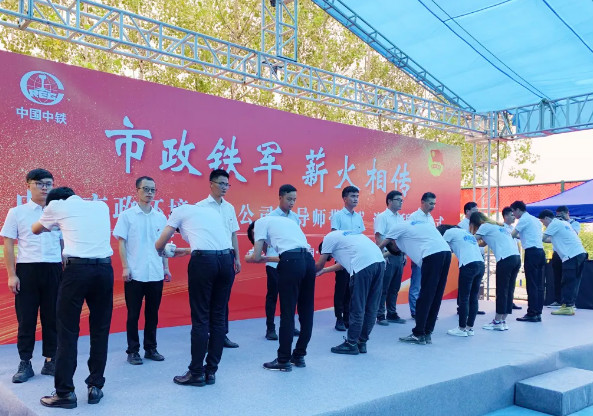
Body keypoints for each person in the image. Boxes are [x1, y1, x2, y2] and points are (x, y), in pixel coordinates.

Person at [32, 187, 114, 408]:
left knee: (67, 331)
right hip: (104, 270)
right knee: (100, 330)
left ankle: (65, 393)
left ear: (55, 201)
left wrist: (51, 217)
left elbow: (35, 229)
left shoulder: (56, 206)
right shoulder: (101, 205)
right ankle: (95, 386)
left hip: (76, 272)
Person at [156, 204, 233, 386]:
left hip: (204, 263)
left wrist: (162, 252)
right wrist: (185, 251)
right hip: (226, 260)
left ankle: (196, 373)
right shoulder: (208, 212)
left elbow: (160, 243)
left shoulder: (178, 212)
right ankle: (211, 372)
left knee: (200, 318)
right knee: (218, 318)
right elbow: (210, 244)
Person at [1, 169, 61, 383]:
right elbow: (8, 243)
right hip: (27, 270)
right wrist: (12, 275)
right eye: (39, 183)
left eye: (48, 184)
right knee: (26, 319)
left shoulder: (58, 212)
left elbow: (64, 241)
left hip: (54, 269)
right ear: (28, 185)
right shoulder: (17, 212)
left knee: (52, 317)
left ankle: (50, 360)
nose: (44, 187)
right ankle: (25, 362)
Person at [113, 176, 171, 365]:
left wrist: (166, 267)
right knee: (133, 314)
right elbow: (121, 243)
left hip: (155, 273)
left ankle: (151, 348)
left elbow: (164, 245)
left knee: (152, 314)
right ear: (137, 191)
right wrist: (125, 267)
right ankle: (133, 351)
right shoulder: (127, 216)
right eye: (146, 189)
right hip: (135, 273)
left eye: (153, 190)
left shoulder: (160, 217)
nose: (149, 193)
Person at [246, 216, 315, 371]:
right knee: (306, 311)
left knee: (288, 312)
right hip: (308, 260)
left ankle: (283, 359)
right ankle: (299, 356)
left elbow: (256, 256)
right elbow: (287, 254)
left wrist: (249, 258)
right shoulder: (285, 222)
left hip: (291, 262)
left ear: (254, 232)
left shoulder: (259, 224)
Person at [380, 221, 451, 345]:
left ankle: (418, 334)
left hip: (431, 255)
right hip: (445, 252)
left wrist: (375, 254)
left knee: (425, 296)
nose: (398, 248)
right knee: (436, 295)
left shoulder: (397, 227)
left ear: (393, 241)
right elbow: (393, 251)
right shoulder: (413, 230)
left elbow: (382, 245)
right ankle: (427, 333)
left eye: (395, 246)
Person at [317, 231, 384, 354]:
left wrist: (308, 271)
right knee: (372, 306)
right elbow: (343, 264)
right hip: (379, 262)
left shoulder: (328, 239)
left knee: (357, 306)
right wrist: (325, 271)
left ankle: (351, 343)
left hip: (363, 266)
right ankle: (362, 343)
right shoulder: (347, 237)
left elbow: (319, 265)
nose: (332, 258)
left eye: (330, 256)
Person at [196, 169, 240, 348]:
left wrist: (237, 258)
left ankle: (221, 335)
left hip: (227, 257)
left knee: (222, 299)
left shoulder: (229, 208)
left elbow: (233, 234)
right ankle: (205, 336)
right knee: (206, 299)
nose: (224, 187)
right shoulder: (200, 207)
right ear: (211, 184)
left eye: (227, 184)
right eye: (221, 183)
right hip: (208, 258)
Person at [469, 212, 520, 332]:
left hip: (505, 259)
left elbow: (472, 240)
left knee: (502, 290)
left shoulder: (484, 226)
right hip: (516, 258)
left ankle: (497, 321)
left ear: (475, 222)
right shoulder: (497, 227)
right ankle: (502, 321)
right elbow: (484, 243)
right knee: (509, 290)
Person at [263, 184, 301, 341]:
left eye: (294, 200)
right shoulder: (270, 218)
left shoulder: (295, 218)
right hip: (274, 264)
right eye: (289, 199)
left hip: (290, 264)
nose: (292, 203)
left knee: (290, 297)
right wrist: (269, 255)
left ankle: (289, 326)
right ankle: (270, 328)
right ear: (280, 197)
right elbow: (264, 241)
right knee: (273, 296)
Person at [437, 225, 484, 337]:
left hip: (468, 265)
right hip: (480, 264)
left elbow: (442, 248)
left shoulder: (448, 233)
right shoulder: (465, 232)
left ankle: (461, 328)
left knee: (464, 298)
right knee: (473, 297)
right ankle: (469, 328)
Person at [539, 210, 587, 316]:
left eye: (543, 222)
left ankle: (567, 306)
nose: (544, 225)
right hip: (579, 254)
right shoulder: (564, 223)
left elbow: (542, 238)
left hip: (571, 256)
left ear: (547, 218)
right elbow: (549, 239)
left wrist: (523, 236)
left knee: (568, 281)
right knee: (574, 281)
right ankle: (569, 305)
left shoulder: (554, 224)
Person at [330, 186, 365, 331]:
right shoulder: (338, 216)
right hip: (342, 259)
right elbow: (334, 237)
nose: (355, 199)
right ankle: (339, 318)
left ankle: (347, 318)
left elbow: (360, 238)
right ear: (345, 198)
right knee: (341, 290)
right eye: (352, 196)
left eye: (357, 196)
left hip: (356, 259)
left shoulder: (358, 217)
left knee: (352, 290)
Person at [373, 190, 406, 325]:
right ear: (390, 201)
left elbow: (403, 237)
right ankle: (380, 314)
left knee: (395, 287)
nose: (401, 202)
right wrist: (382, 255)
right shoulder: (382, 217)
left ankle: (392, 313)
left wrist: (404, 254)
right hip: (387, 256)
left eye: (402, 200)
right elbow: (378, 236)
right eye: (398, 200)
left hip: (399, 256)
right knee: (384, 287)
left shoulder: (400, 218)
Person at [510, 201, 545, 323]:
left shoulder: (523, 219)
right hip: (540, 252)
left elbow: (512, 234)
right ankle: (538, 312)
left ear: (518, 210)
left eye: (513, 212)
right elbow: (527, 235)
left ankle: (531, 313)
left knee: (532, 284)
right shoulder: (535, 220)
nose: (513, 215)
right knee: (539, 285)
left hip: (531, 253)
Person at [406, 192, 437, 319]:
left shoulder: (430, 218)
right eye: (430, 203)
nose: (433, 206)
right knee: (416, 284)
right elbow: (410, 235)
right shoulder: (414, 217)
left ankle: (425, 311)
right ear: (423, 202)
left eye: (434, 204)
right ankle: (415, 311)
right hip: (418, 254)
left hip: (430, 254)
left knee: (427, 284)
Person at [457, 201, 486, 316]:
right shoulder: (461, 225)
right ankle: (462, 307)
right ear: (467, 211)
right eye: (474, 210)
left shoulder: (479, 224)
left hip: (478, 256)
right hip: (467, 258)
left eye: (477, 210)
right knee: (465, 285)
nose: (477, 212)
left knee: (475, 285)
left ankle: (473, 306)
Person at [549, 206, 581, 307]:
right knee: (557, 277)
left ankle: (569, 302)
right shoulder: (556, 223)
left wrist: (563, 223)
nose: (560, 217)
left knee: (569, 278)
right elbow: (550, 236)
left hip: (569, 254)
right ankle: (557, 300)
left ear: (567, 213)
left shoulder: (574, 223)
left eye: (562, 215)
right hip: (557, 253)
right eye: (558, 215)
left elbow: (573, 234)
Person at [502, 206, 523, 311]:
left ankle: (510, 303)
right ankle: (503, 304)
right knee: (505, 283)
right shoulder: (501, 228)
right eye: (511, 215)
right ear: (505, 216)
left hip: (515, 258)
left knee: (512, 283)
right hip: (506, 258)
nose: (514, 217)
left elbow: (518, 243)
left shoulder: (513, 229)